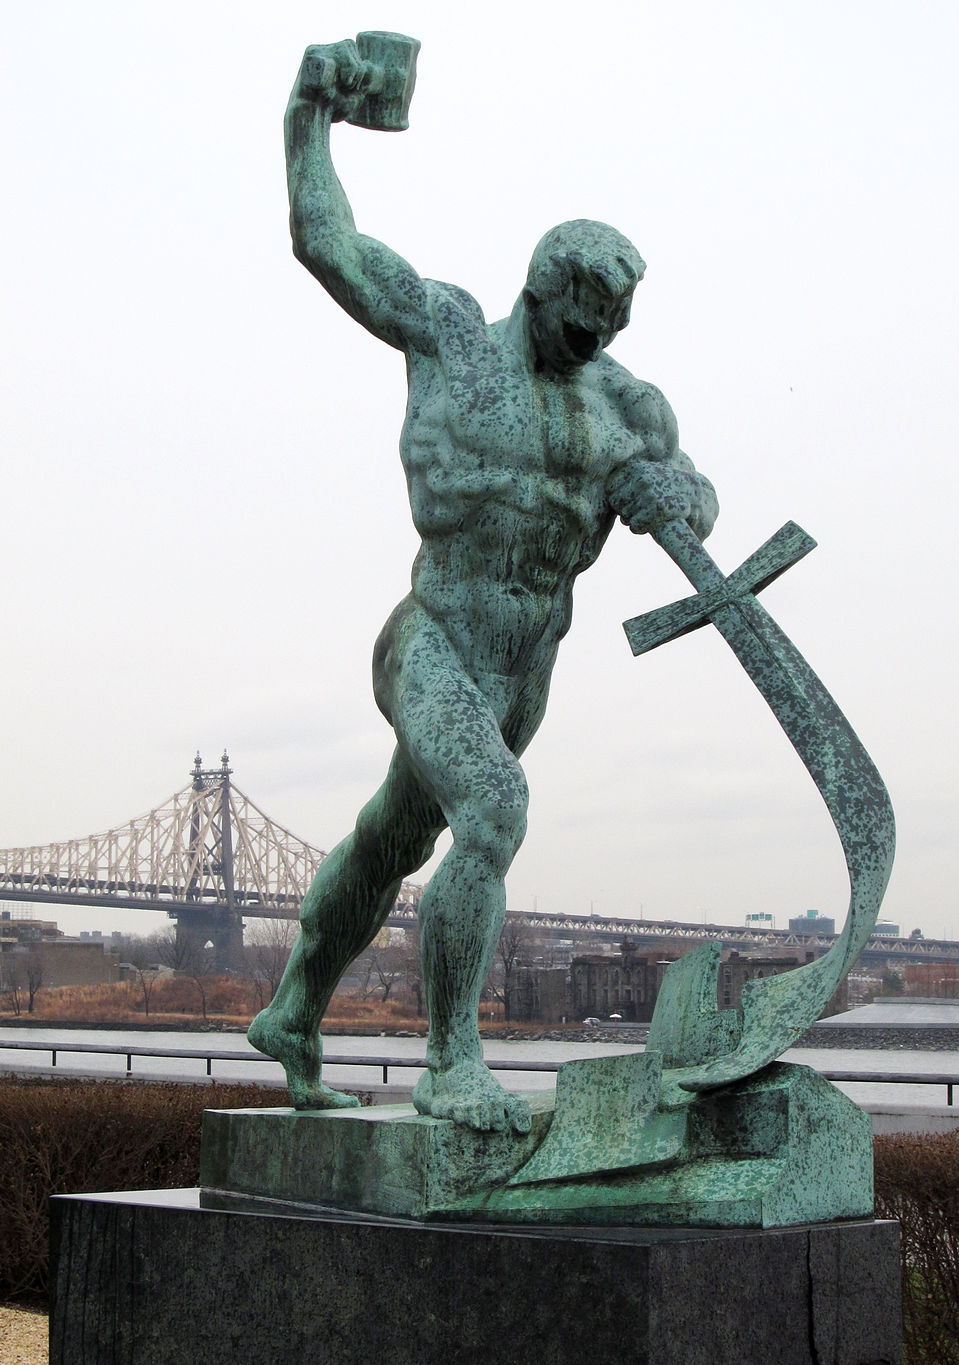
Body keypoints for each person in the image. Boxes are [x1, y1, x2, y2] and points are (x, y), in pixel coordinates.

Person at [249, 40, 719, 1134]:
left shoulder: (628, 408)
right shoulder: (453, 336)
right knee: (494, 813)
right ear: (539, 287)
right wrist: (307, 117)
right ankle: (451, 1063)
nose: (592, 341)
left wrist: (673, 498)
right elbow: (328, 242)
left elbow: (695, 492)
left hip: (524, 673)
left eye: (611, 328)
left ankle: (291, 1012)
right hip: (430, 637)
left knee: (394, 839)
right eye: (579, 319)